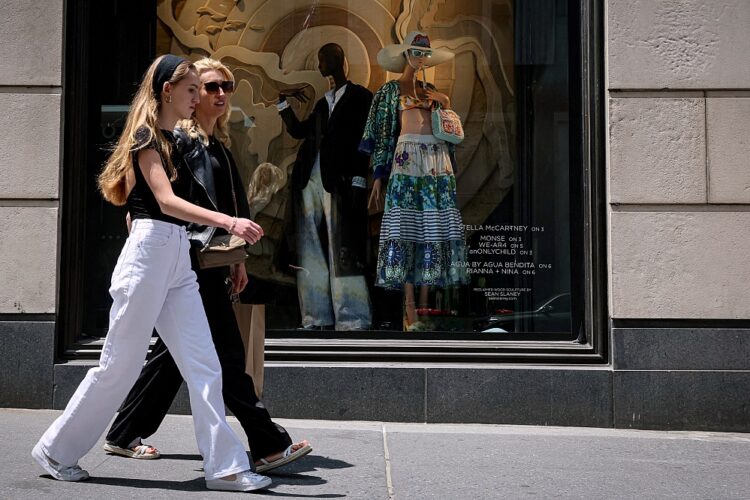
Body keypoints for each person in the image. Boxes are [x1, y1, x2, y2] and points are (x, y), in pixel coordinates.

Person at [31, 54, 271, 492]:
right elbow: (163, 201)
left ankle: (226, 467)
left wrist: (229, 244)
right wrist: (230, 223)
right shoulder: (147, 137)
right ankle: (55, 449)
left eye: (202, 89)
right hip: (150, 255)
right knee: (117, 367)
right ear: (167, 91)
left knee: (204, 365)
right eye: (192, 90)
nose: (199, 98)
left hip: (176, 255)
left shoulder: (173, 140)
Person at [102, 57, 311, 473]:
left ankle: (123, 432)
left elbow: (224, 200)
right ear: (189, 95)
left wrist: (235, 256)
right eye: (208, 87)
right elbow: (157, 203)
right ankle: (267, 443)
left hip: (206, 261)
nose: (218, 94)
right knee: (226, 355)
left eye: (225, 87)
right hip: (192, 262)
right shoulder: (181, 142)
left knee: (173, 356)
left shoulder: (217, 143)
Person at [360, 32, 468, 330]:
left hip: (435, 162)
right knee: (405, 227)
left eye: (424, 54)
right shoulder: (389, 91)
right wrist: (379, 174)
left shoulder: (432, 90)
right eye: (416, 52)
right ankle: (409, 308)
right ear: (406, 55)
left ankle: (425, 305)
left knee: (431, 229)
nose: (421, 58)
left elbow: (447, 130)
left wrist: (444, 101)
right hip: (407, 161)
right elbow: (382, 133)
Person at [278, 43, 373, 331]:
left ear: (339, 61)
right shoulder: (323, 102)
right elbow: (300, 131)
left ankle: (353, 318)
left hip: (340, 179)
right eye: (319, 59)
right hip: (310, 179)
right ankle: (315, 316)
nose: (321, 64)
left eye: (324, 58)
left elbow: (367, 140)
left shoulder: (361, 97)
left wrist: (359, 176)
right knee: (310, 247)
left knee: (342, 244)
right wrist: (282, 104)